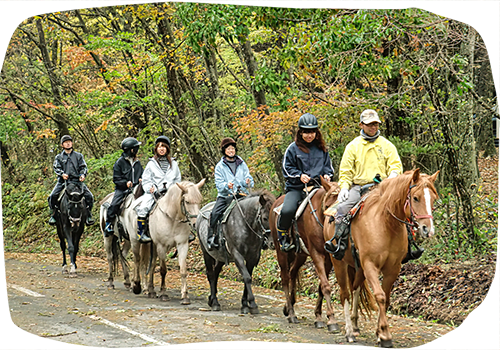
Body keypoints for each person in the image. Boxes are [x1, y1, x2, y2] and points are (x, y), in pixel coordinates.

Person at [324, 109, 403, 259]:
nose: (373, 127)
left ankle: (409, 245)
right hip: (359, 187)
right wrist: (345, 187)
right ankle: (340, 243)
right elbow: (346, 171)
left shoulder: (387, 145)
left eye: (375, 124)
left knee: (401, 208)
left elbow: (395, 165)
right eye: (369, 124)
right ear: (361, 125)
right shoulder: (353, 147)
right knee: (342, 208)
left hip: (382, 187)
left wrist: (393, 176)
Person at [277, 113, 335, 252]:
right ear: (300, 132)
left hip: (318, 187)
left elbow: (329, 167)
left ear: (316, 132)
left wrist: (327, 175)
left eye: (312, 132)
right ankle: (283, 237)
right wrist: (299, 176)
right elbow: (287, 168)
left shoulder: (322, 149)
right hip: (297, 187)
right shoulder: (292, 148)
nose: (309, 135)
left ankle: (336, 238)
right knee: (287, 210)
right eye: (306, 132)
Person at [207, 137, 254, 250]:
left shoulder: (242, 163)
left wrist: (248, 181)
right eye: (228, 149)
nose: (231, 151)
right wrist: (227, 186)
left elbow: (249, 178)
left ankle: (259, 238)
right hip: (226, 196)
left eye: (232, 148)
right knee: (215, 213)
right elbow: (219, 185)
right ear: (224, 151)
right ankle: (211, 237)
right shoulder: (219, 166)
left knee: (255, 211)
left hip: (242, 194)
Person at [135, 136, 181, 243]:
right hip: (154, 192)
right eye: (159, 147)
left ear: (167, 149)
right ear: (156, 149)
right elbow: (146, 180)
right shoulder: (151, 164)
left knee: (182, 207)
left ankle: (184, 232)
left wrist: (174, 190)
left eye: (164, 147)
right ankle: (141, 232)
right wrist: (149, 188)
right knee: (143, 207)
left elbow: (177, 179)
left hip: (170, 193)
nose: (162, 149)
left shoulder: (174, 164)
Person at [48, 135, 95, 226]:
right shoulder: (59, 157)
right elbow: (56, 167)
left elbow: (83, 167)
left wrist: (82, 174)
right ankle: (53, 214)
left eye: (69, 141)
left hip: (77, 182)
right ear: (62, 145)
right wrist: (62, 174)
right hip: (64, 182)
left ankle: (89, 215)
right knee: (53, 196)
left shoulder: (78, 156)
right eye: (66, 142)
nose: (68, 143)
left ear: (72, 143)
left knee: (90, 196)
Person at [104, 137, 144, 237]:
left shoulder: (137, 163)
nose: (137, 150)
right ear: (130, 150)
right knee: (114, 204)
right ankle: (108, 224)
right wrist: (125, 183)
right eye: (135, 148)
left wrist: (142, 179)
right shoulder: (119, 163)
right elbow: (116, 179)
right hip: (122, 189)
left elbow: (143, 174)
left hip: (137, 189)